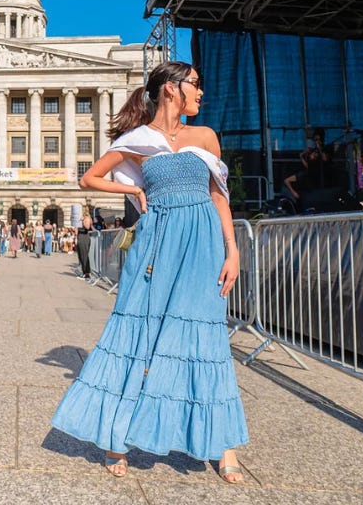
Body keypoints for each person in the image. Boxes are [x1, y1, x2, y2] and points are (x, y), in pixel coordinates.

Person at [50, 61, 247, 482]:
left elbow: (219, 196)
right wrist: (135, 188)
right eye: (196, 84)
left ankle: (223, 442)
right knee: (137, 331)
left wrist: (232, 251)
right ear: (171, 89)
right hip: (157, 243)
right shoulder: (137, 140)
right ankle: (114, 437)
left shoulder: (205, 137)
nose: (201, 92)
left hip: (202, 244)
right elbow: (90, 179)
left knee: (205, 333)